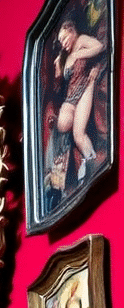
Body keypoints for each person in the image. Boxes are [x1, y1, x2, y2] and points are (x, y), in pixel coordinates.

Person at [53, 18, 106, 187]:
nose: (63, 44)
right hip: (70, 95)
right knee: (61, 127)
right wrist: (58, 67)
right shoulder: (63, 56)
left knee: (78, 134)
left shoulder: (81, 40)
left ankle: (90, 163)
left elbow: (99, 47)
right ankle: (57, 177)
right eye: (60, 41)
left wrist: (78, 54)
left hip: (85, 86)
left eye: (64, 39)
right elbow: (58, 83)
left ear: (71, 31)